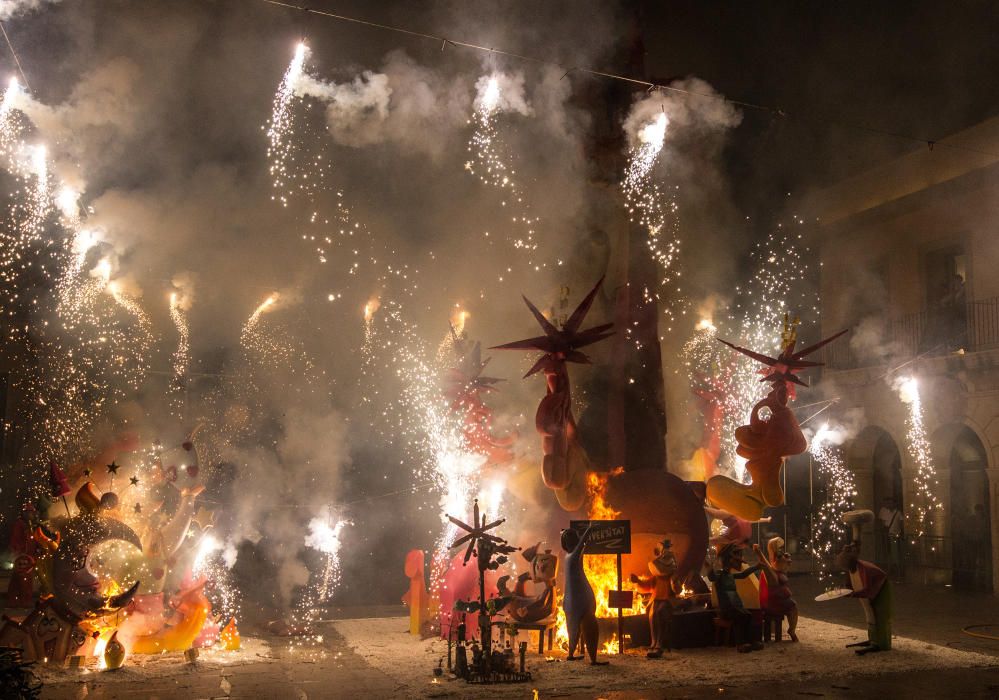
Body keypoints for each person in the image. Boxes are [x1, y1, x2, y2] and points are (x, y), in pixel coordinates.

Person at [561, 524, 608, 665]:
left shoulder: (567, 557)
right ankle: (593, 659)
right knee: (590, 627)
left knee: (573, 628)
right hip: (580, 601)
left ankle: (571, 654)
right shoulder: (573, 556)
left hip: (571, 600)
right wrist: (590, 529)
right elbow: (583, 543)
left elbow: (581, 544)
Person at [708, 544, 763, 652]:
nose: (740, 561)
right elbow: (712, 577)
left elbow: (743, 574)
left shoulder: (729, 575)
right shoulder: (720, 575)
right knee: (740, 616)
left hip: (736, 605)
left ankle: (751, 641)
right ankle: (740, 644)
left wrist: (756, 567)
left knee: (748, 615)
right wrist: (710, 567)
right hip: (727, 608)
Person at [630, 538, 679, 658]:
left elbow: (677, 589)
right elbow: (647, 586)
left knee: (660, 612)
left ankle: (659, 645)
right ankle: (654, 642)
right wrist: (637, 582)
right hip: (656, 599)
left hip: (667, 599)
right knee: (652, 614)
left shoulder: (672, 574)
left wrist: (674, 583)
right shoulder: (656, 578)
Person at [753, 538, 798, 641]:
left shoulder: (777, 571)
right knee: (793, 608)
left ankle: (792, 629)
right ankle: (791, 631)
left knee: (793, 607)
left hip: (781, 602)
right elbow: (765, 563)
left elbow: (770, 560)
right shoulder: (772, 573)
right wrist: (759, 552)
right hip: (774, 604)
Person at [877, 497, 903, 581]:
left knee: (895, 553)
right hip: (888, 535)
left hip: (894, 535)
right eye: (888, 503)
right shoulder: (886, 511)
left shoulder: (898, 513)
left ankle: (897, 569)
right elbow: (884, 523)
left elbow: (901, 523)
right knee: (888, 552)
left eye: (891, 503)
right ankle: (891, 568)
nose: (889, 505)